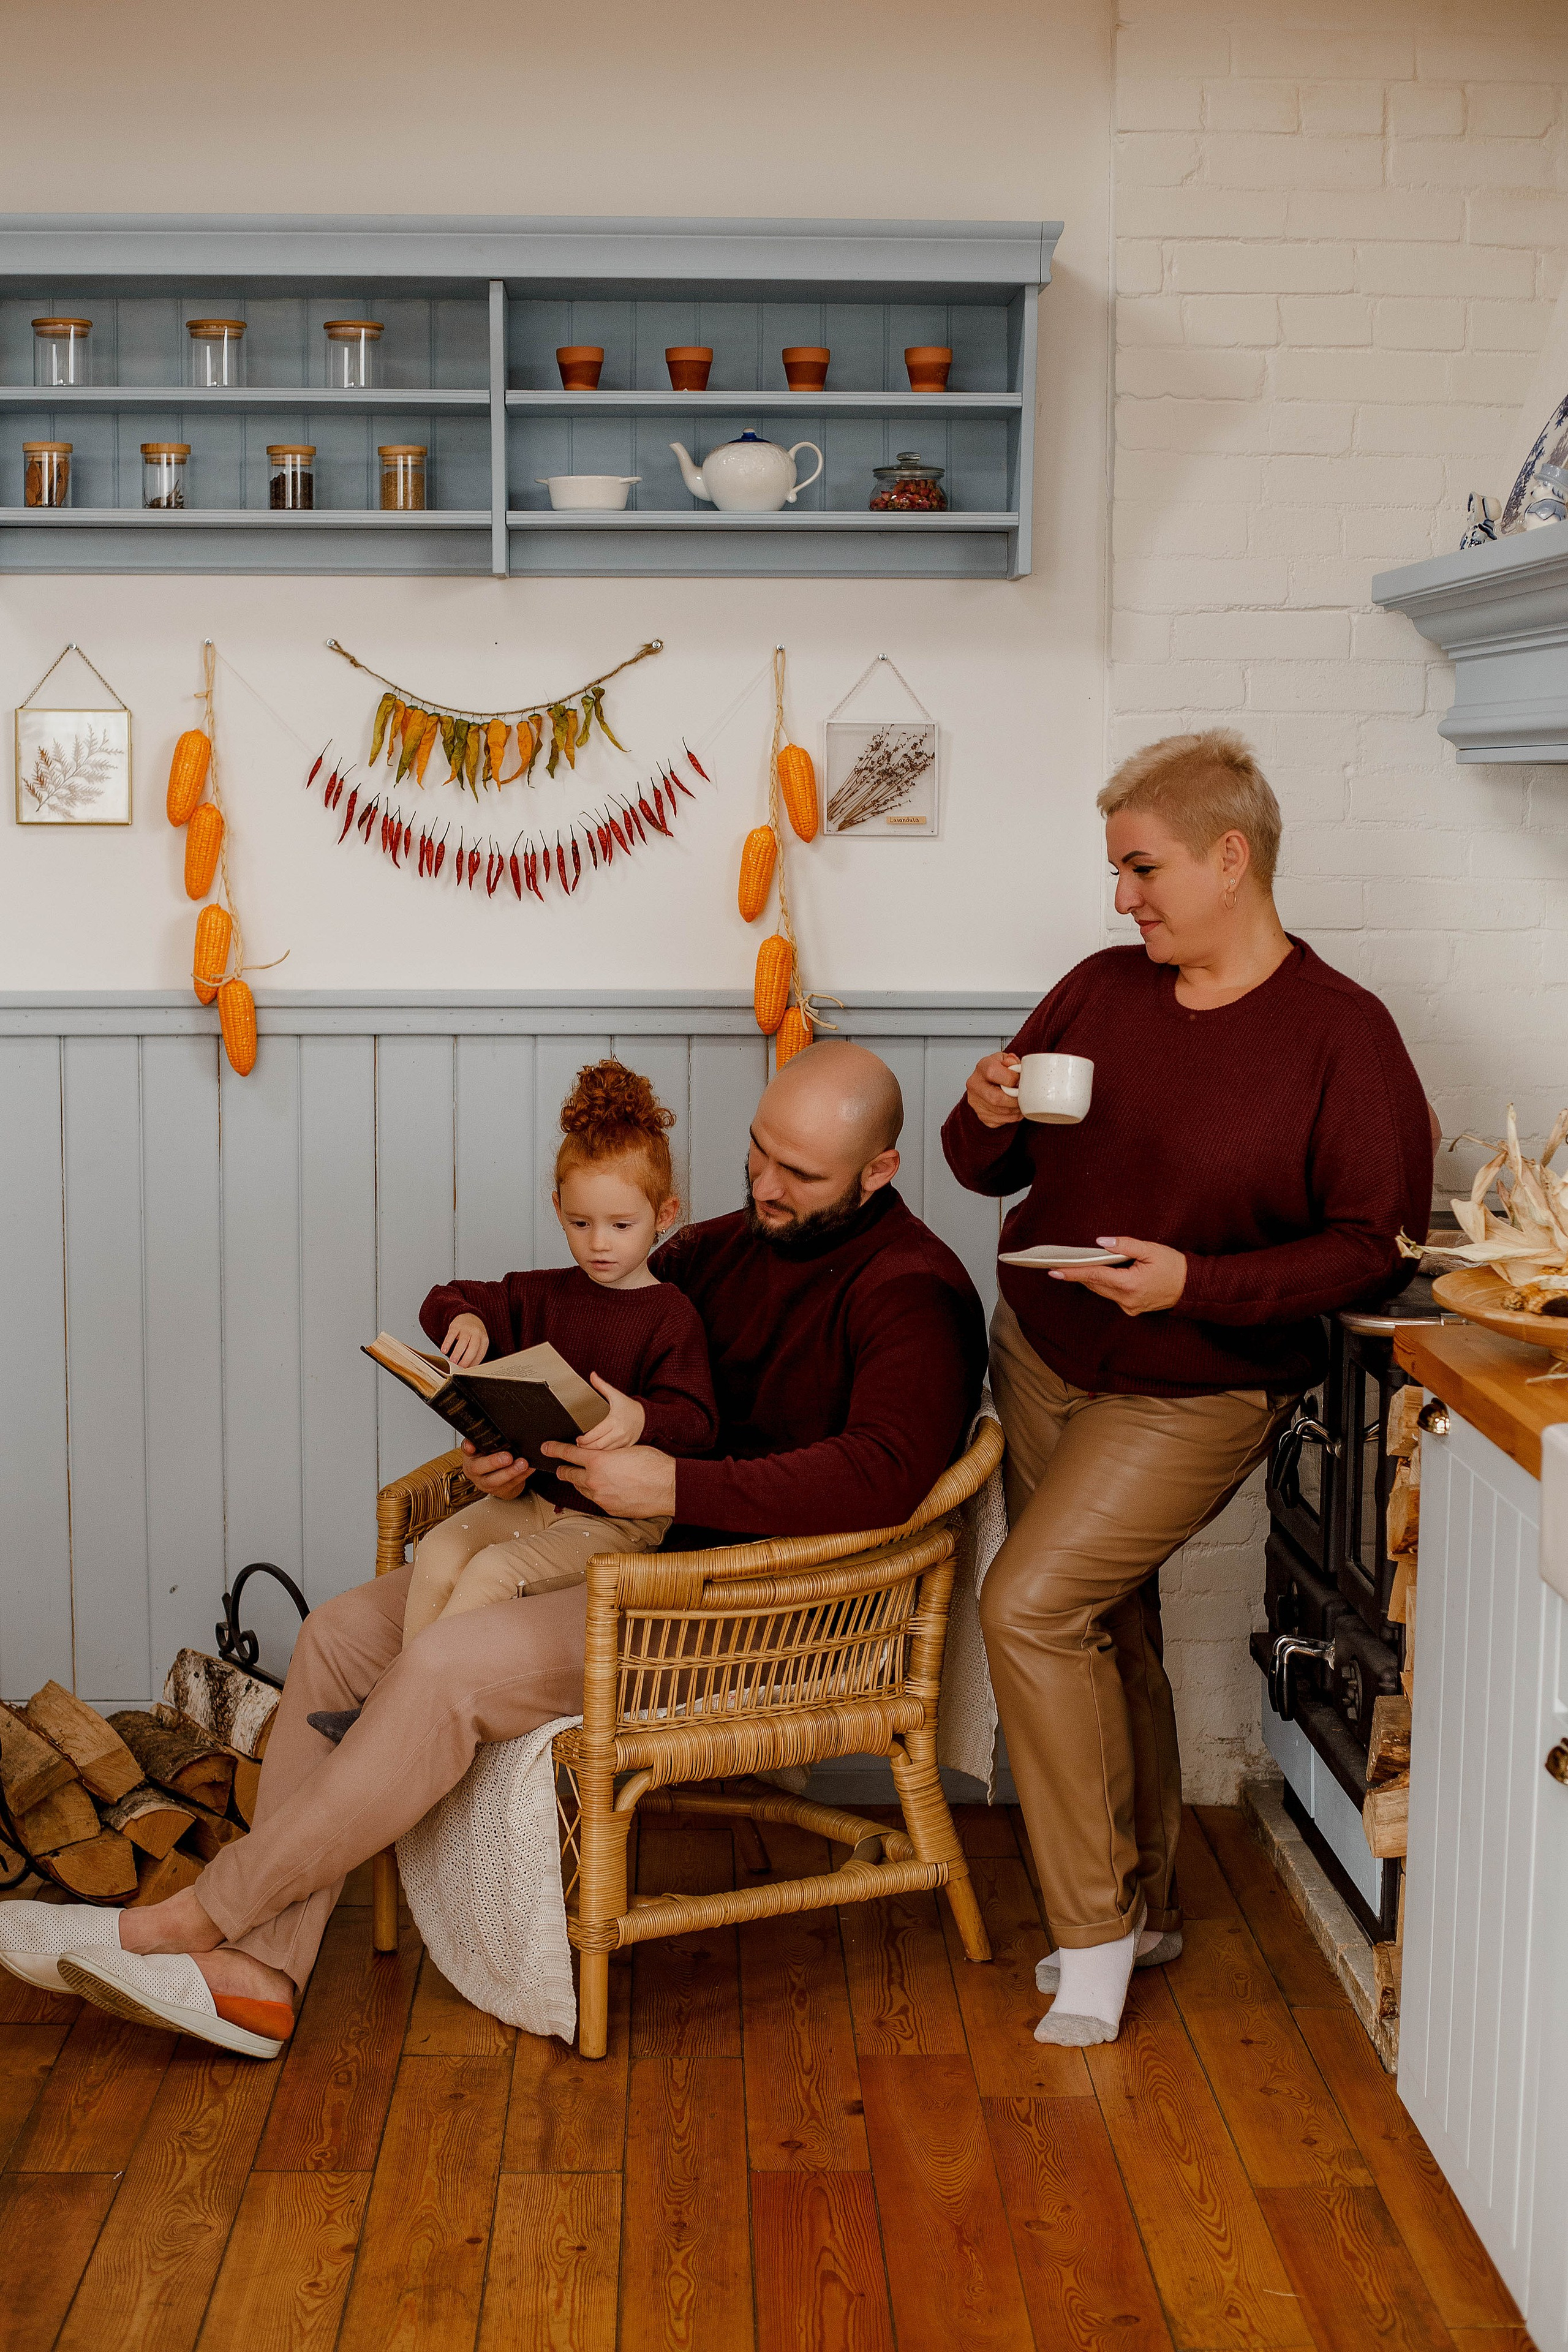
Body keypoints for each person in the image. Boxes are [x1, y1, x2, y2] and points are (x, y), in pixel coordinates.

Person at [2, 1041, 985, 2057]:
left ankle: (203, 1919)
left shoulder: (912, 1292)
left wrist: (678, 1483)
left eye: (801, 1175)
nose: (765, 1188)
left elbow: (887, 1477)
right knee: (342, 1636)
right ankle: (259, 1974)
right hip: (605, 1548)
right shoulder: (721, 1249)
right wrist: (510, 1445)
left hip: (737, 1609)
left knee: (441, 1665)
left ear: (879, 1172)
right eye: (758, 1154)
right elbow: (596, 1345)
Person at [941, 729, 1433, 2050]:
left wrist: (1192, 1288)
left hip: (1198, 1381)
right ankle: (1142, 1908)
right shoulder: (1099, 990)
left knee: (1031, 1604)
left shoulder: (1342, 1036)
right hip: (1045, 1350)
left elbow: (1368, 1243)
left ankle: (1089, 1937)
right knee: (1107, 1624)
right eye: (1115, 871)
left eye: (1139, 867)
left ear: (1230, 858)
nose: (1121, 899)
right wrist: (985, 1107)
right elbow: (975, 1168)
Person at [309, 1063, 716, 1754]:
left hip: (618, 1525)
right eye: (581, 1222)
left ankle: (404, 1720)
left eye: (622, 1224)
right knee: (438, 1548)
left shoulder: (670, 1315)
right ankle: (399, 1710)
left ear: (665, 1217)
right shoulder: (540, 1293)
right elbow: (443, 1295)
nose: (600, 1244)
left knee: (493, 1574)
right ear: (556, 1207)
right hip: (535, 1498)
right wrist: (463, 1320)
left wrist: (642, 1419)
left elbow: (699, 1423)